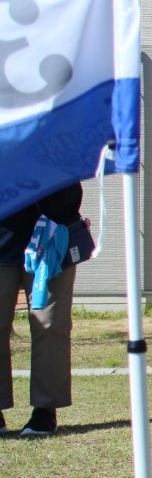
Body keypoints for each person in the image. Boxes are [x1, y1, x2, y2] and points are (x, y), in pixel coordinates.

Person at [1, 183, 85, 438]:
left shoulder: (54, 144)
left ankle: (45, 409)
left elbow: (71, 186)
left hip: (51, 239)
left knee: (50, 324)